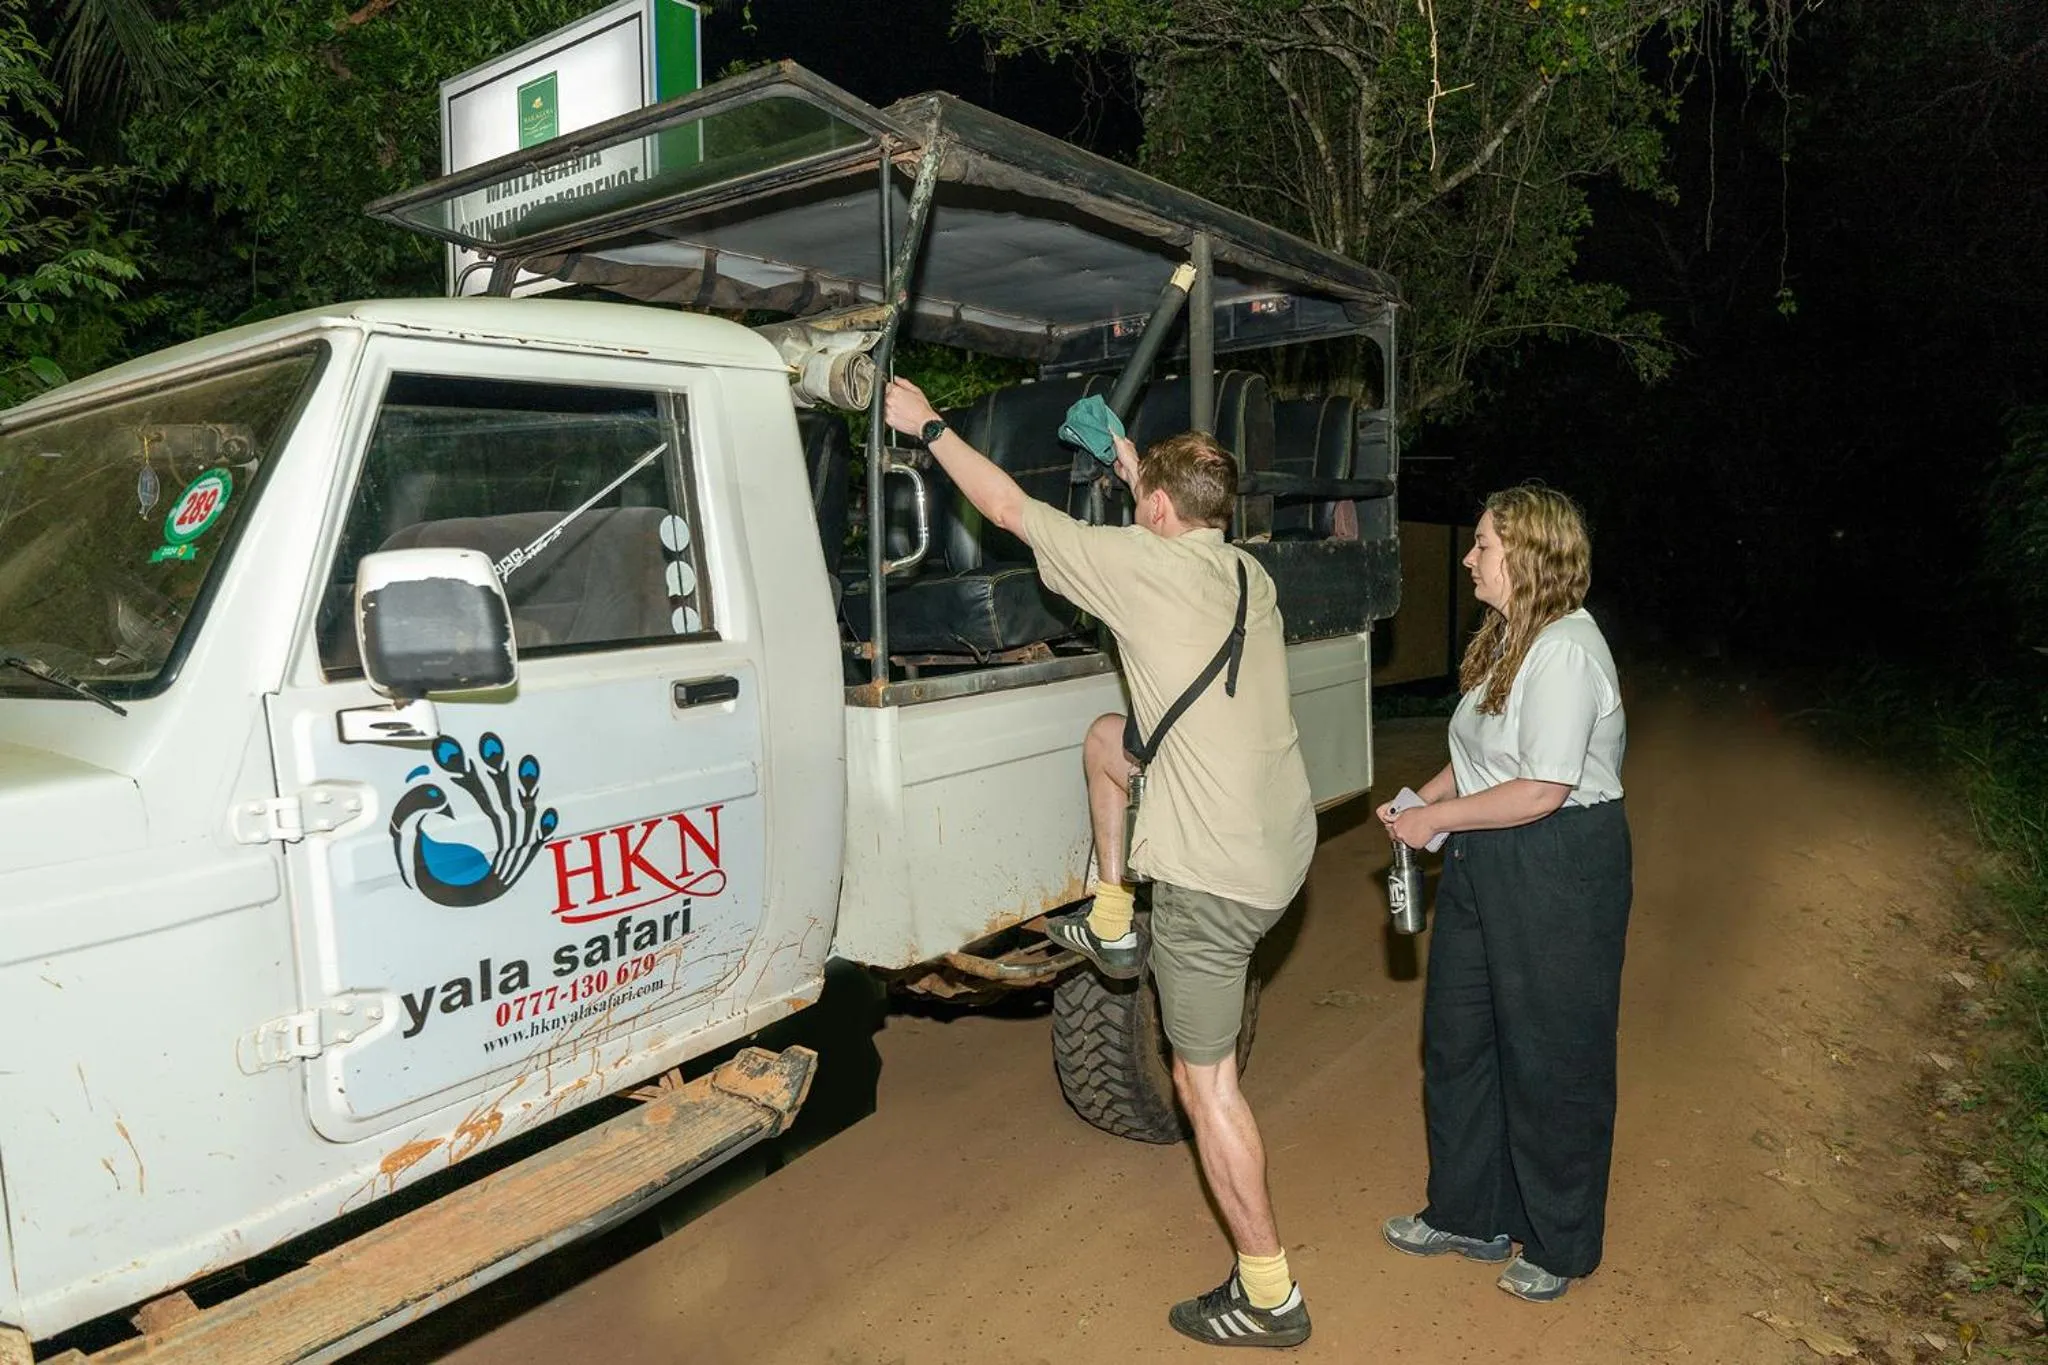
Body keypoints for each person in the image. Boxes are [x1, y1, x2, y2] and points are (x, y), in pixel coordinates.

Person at [882, 376, 1317, 1350]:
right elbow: (1170, 518)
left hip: (1217, 879)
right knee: (1106, 738)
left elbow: (1002, 507)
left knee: (1206, 1089)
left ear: (1156, 513)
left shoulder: (1136, 566)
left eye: (1141, 499)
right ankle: (1111, 917)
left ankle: (1268, 1291)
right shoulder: (1248, 573)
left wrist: (930, 426)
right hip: (1279, 843)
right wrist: (1133, 467)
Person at [1375, 484, 1631, 1303]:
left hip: (1557, 861)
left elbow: (1543, 787)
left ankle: (1559, 1241)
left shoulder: (1564, 649)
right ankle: (1467, 1211)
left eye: (1481, 544)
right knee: (1460, 1041)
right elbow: (1483, 753)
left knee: (1551, 1055)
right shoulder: (1507, 639)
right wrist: (1423, 805)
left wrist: (1441, 818)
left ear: (1526, 555)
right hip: (1490, 856)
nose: (1469, 557)